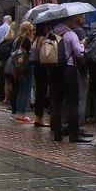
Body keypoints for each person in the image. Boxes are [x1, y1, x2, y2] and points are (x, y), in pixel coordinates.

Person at [50, 14, 90, 143]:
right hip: (68, 69)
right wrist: (82, 44)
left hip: (55, 70)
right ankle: (74, 134)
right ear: (71, 20)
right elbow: (79, 52)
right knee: (72, 102)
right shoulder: (70, 34)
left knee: (57, 101)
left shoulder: (53, 32)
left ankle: (57, 133)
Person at [13, 21, 33, 123]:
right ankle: (21, 114)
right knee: (25, 91)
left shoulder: (18, 40)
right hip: (26, 68)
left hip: (18, 68)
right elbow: (30, 54)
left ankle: (18, 113)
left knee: (21, 91)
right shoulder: (27, 41)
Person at [32, 23, 51, 127]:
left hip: (36, 67)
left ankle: (38, 117)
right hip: (42, 67)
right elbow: (44, 53)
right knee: (41, 93)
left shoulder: (36, 38)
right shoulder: (42, 38)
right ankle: (39, 118)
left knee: (39, 92)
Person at [0, 15, 12, 102]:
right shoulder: (10, 30)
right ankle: (6, 96)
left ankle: (1, 94)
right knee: (7, 78)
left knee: (0, 76)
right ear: (10, 21)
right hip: (8, 56)